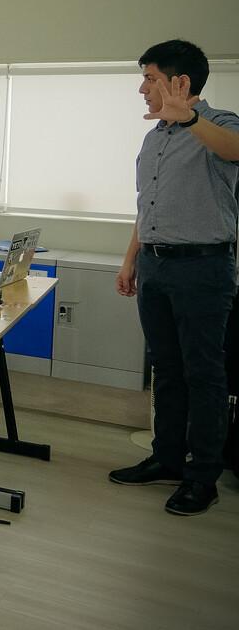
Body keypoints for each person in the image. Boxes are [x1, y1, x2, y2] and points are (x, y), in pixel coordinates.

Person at [110, 39, 239, 516]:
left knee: (204, 374)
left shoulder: (220, 124)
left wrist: (189, 118)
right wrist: (131, 261)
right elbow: (147, 207)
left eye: (150, 78)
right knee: (165, 370)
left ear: (180, 83)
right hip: (157, 266)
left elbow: (236, 150)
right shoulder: (154, 137)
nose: (142, 88)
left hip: (204, 268)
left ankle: (202, 477)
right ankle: (166, 458)